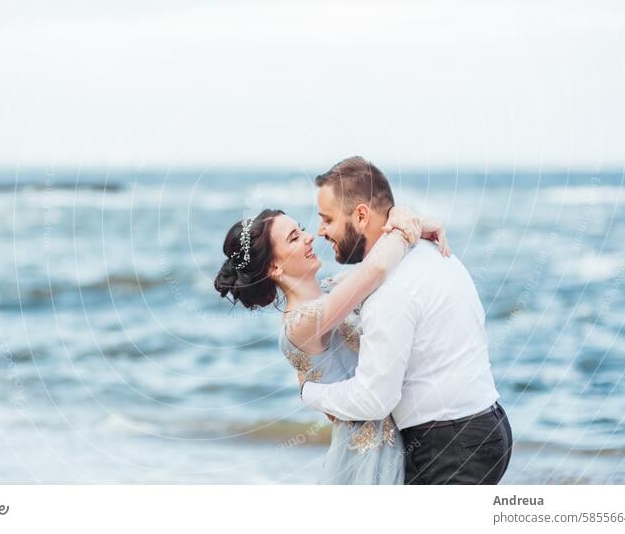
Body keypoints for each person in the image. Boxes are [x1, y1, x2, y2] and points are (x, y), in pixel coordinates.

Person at [299, 156, 513, 485]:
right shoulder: (426, 250)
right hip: (483, 427)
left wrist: (309, 393)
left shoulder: (391, 291)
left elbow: (374, 399)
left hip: (450, 446)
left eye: (327, 219)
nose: (320, 231)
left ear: (360, 215)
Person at [215, 203, 449, 483]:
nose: (308, 236)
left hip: (396, 437)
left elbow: (379, 262)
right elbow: (373, 271)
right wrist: (407, 226)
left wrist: (406, 218)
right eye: (294, 238)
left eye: (300, 229)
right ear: (275, 267)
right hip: (368, 458)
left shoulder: (330, 290)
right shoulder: (299, 325)